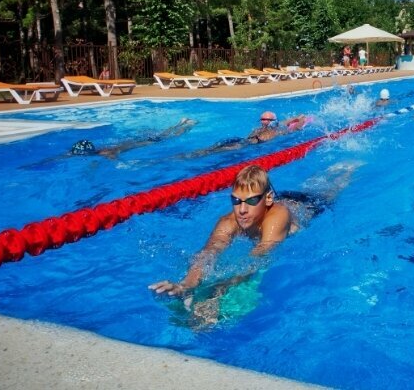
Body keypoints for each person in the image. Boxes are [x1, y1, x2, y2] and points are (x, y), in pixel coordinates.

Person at [149, 163, 359, 325]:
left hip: (311, 205)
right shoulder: (229, 221)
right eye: (236, 201)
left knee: (332, 186)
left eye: (250, 202)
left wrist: (221, 289)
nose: (241, 209)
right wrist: (187, 284)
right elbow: (209, 252)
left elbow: (262, 254)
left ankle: (350, 167)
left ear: (267, 200)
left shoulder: (278, 215)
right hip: (283, 196)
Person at [70, 118, 197, 159]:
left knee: (171, 136)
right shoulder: (105, 148)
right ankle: (180, 123)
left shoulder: (108, 152)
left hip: (145, 143)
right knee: (164, 133)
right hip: (139, 139)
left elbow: (114, 158)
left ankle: (187, 126)